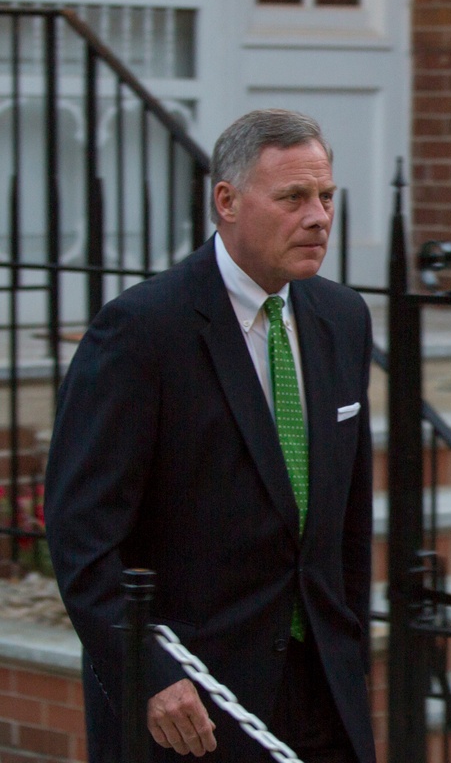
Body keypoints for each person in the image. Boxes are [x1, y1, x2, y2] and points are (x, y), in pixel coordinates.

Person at [44, 108, 376, 763]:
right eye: (293, 198)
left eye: (326, 197)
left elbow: (348, 521)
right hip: (191, 704)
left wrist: (350, 645)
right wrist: (150, 672)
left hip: (322, 691)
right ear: (226, 201)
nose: (318, 217)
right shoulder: (142, 330)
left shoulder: (343, 317)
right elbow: (82, 534)